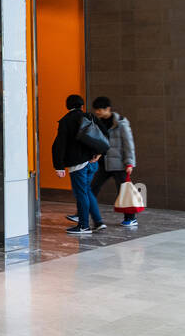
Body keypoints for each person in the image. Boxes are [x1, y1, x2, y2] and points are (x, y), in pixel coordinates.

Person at [50, 94, 104, 235]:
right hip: (92, 163)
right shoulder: (89, 117)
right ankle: (98, 222)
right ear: (81, 105)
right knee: (86, 191)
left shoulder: (66, 121)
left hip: (78, 164)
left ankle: (84, 226)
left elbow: (59, 145)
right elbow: (104, 135)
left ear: (68, 106)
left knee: (81, 194)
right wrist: (99, 154)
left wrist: (59, 166)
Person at [81, 96, 138, 227]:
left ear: (108, 109)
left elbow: (129, 144)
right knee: (92, 188)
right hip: (104, 164)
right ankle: (82, 213)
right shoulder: (98, 123)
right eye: (96, 110)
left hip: (119, 165)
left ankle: (131, 217)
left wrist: (129, 163)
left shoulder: (121, 123)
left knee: (123, 191)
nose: (97, 112)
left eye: (100, 110)